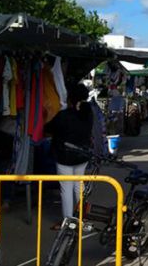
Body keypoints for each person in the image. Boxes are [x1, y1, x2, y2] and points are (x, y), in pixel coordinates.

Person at [44, 83, 93, 228]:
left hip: (65, 157)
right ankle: (82, 218)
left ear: (70, 98)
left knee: (66, 189)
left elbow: (48, 129)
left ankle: (69, 221)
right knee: (79, 186)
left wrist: (47, 112)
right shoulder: (88, 114)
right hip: (82, 156)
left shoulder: (64, 115)